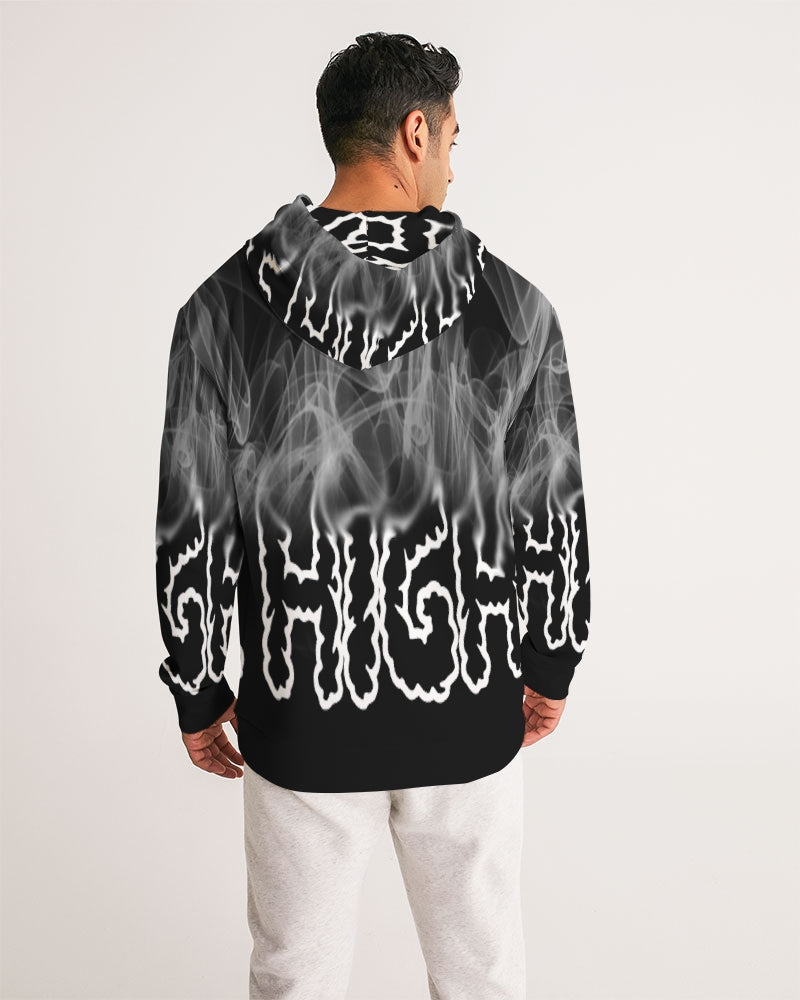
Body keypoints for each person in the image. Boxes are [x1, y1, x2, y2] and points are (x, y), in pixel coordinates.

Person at [154, 30, 591, 1000]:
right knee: (482, 975)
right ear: (414, 132)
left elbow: (191, 519)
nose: (451, 164)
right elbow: (551, 510)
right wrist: (550, 662)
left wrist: (197, 685)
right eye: (451, 140)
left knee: (294, 976)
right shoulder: (516, 311)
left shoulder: (219, 311)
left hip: (301, 713)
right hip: (468, 710)